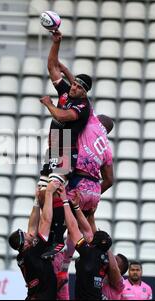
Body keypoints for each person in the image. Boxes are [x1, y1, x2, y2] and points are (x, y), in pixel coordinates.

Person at [40, 29, 92, 186]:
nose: (73, 88)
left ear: (84, 92)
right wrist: (56, 43)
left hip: (67, 149)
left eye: (78, 87)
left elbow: (62, 116)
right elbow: (52, 67)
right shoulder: (67, 92)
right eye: (74, 84)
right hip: (54, 145)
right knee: (41, 195)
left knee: (54, 191)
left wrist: (49, 104)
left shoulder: (83, 106)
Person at [58, 183, 112, 300]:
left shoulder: (88, 253)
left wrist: (65, 201)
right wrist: (77, 207)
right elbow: (87, 230)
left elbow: (73, 227)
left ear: (94, 241)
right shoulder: (102, 256)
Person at [8, 183, 58, 300]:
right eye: (25, 235)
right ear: (25, 243)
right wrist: (49, 193)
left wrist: (36, 200)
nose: (28, 233)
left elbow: (32, 227)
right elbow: (46, 221)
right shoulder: (33, 252)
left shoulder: (24, 255)